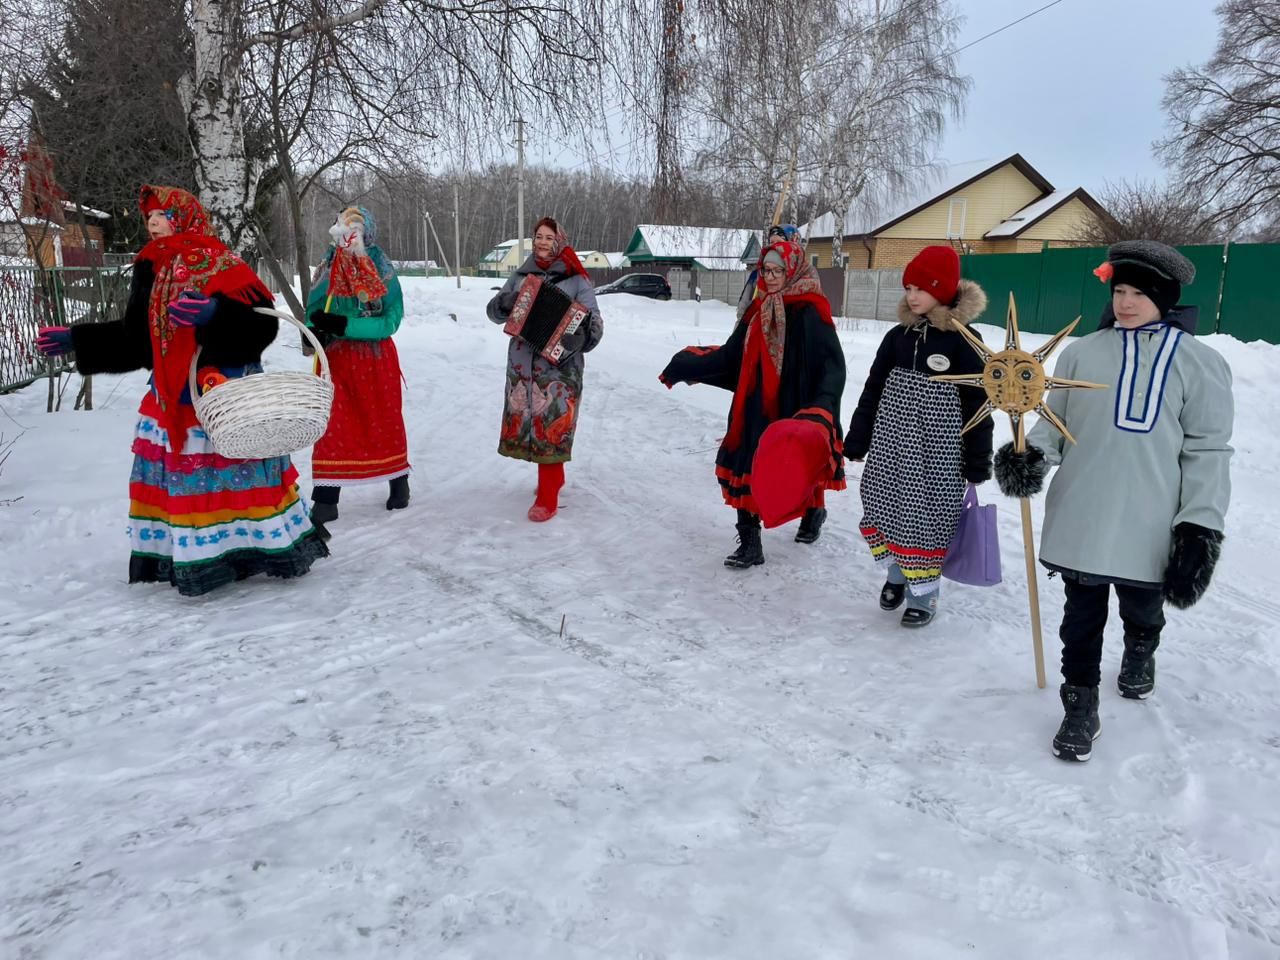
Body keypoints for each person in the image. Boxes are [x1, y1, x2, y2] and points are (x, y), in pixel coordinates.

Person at [994, 240, 1233, 763]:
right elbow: (1054, 423)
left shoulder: (1200, 363)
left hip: (1151, 516)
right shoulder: (1083, 351)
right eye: (1119, 290)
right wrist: (1028, 455)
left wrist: (1200, 526)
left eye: (1139, 294)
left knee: (1141, 602)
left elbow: (1208, 451)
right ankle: (1079, 702)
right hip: (1083, 507)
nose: (1125, 302)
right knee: (1080, 615)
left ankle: (1142, 648)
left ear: (1164, 298)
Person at [35, 184, 328, 595]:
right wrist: (77, 340)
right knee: (191, 487)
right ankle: (202, 555)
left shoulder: (223, 263)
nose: (153, 224)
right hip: (173, 398)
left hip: (227, 396)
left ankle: (252, 551)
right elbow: (137, 342)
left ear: (185, 218)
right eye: (149, 217)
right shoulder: (149, 266)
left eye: (162, 215)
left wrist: (216, 316)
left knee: (238, 478)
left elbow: (264, 328)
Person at [661, 239, 846, 566]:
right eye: (766, 270)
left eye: (777, 270)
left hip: (797, 405)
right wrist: (691, 364)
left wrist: (822, 407)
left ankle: (813, 512)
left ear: (792, 269)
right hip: (755, 405)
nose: (771, 277)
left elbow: (832, 366)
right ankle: (750, 543)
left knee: (799, 464)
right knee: (747, 463)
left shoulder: (811, 310)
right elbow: (733, 357)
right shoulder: (758, 308)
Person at [844, 245, 991, 627]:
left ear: (943, 290)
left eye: (921, 288)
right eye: (908, 287)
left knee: (925, 517)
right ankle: (896, 573)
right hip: (891, 445)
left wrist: (978, 460)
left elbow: (979, 404)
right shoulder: (897, 337)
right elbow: (873, 388)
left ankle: (924, 595)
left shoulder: (965, 341)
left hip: (937, 454)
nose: (911, 296)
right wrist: (858, 439)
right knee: (883, 504)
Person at [486, 216, 604, 522]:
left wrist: (581, 338)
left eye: (549, 237)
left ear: (560, 241)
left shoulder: (578, 279)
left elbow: (595, 323)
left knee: (553, 425)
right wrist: (505, 302)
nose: (542, 242)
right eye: (538, 236)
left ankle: (548, 492)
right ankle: (554, 478)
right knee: (531, 423)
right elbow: (494, 313)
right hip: (523, 365)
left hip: (560, 368)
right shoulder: (521, 275)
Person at [304, 205, 410, 526]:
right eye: (344, 224)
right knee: (333, 425)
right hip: (336, 360)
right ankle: (326, 497)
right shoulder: (328, 265)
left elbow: (390, 321)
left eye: (356, 226)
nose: (349, 232)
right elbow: (313, 310)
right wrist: (316, 327)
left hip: (376, 360)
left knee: (384, 420)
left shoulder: (382, 268)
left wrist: (343, 324)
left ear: (368, 232)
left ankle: (399, 481)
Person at [737, 223, 801, 320]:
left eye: (779, 242)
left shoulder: (803, 278)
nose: (774, 246)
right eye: (772, 242)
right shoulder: (759, 274)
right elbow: (743, 306)